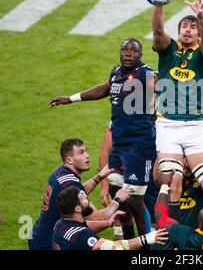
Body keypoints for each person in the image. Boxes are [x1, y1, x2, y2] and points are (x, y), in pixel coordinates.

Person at [49, 38, 156, 238]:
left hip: (140, 146)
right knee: (117, 189)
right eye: (124, 49)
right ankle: (126, 238)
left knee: (135, 199)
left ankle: (145, 245)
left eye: (133, 51)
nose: (128, 54)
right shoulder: (116, 72)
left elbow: (162, 85)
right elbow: (104, 89)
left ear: (140, 55)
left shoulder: (146, 73)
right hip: (120, 145)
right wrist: (70, 99)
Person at [152, 0, 203, 217]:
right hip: (167, 126)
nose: (188, 29)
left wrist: (202, 17)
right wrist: (158, 5)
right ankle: (171, 237)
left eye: (192, 27)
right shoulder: (168, 49)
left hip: (195, 126)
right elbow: (157, 31)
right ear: (178, 31)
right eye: (184, 26)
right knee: (172, 181)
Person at [28, 138, 128, 250]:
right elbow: (98, 218)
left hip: (40, 235)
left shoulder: (60, 172)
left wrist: (100, 176)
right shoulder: (70, 184)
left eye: (86, 151)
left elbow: (78, 191)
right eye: (81, 152)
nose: (87, 155)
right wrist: (118, 199)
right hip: (49, 243)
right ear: (70, 160)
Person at [52, 186, 168, 250]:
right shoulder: (82, 236)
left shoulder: (60, 224)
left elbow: (86, 224)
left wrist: (110, 223)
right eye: (83, 198)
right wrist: (149, 238)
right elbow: (115, 247)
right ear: (77, 209)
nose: (87, 198)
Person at [98, 123, 159, 240]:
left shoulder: (159, 118)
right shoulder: (121, 117)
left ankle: (147, 246)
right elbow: (106, 151)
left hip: (151, 173)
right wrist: (105, 186)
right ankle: (129, 241)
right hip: (125, 173)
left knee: (152, 219)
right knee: (124, 213)